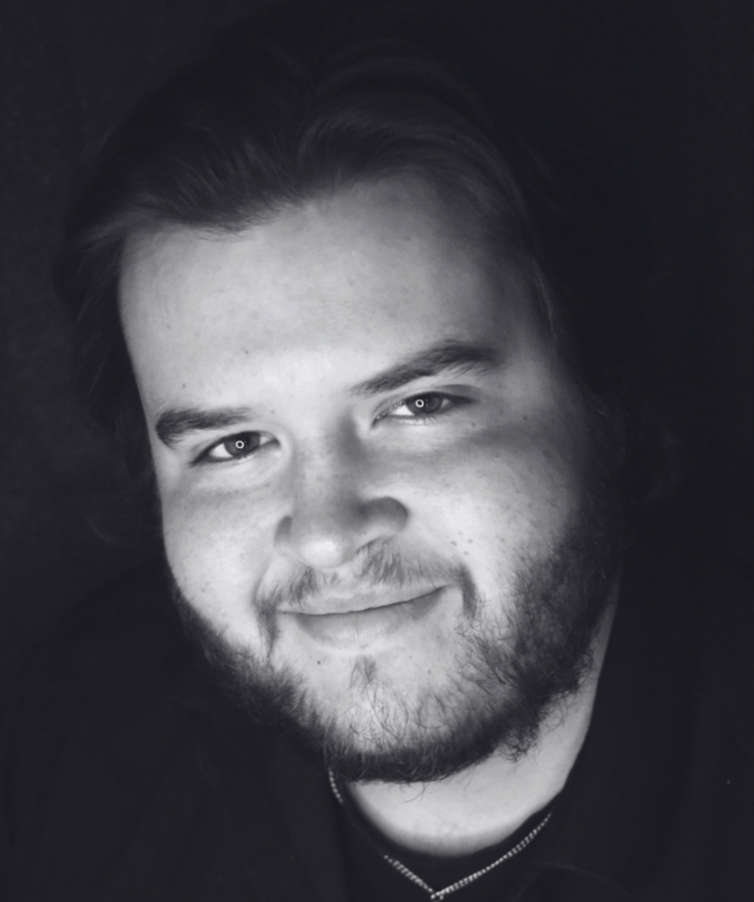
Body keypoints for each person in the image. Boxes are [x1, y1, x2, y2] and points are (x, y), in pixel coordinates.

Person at [2, 2, 752, 899]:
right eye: (235, 444)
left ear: (603, 396)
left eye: (420, 403)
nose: (326, 534)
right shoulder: (68, 740)